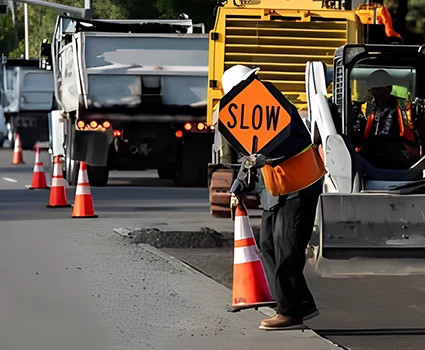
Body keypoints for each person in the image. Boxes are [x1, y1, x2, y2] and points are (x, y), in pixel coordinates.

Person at [222, 65, 325, 330]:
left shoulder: (274, 107)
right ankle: (297, 302)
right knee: (268, 243)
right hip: (277, 188)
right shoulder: (250, 114)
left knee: (286, 246)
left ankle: (289, 311)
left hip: (301, 183)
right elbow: (252, 157)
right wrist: (238, 188)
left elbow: (287, 143)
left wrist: (265, 157)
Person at [356, 69, 420, 170]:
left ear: (389, 89)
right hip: (370, 153)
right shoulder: (364, 108)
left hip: (402, 152)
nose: (375, 93)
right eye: (373, 89)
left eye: (379, 89)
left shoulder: (405, 107)